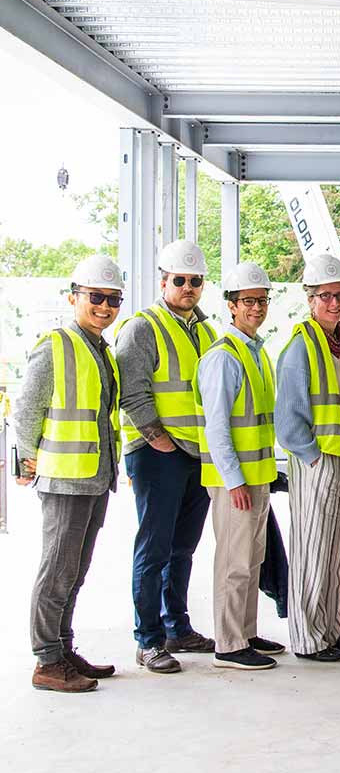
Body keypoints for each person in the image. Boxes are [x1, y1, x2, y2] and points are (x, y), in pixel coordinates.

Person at [18, 256, 124, 692]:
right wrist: (28, 459)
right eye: (95, 297)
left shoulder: (101, 349)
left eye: (112, 299)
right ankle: (46, 660)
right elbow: (27, 410)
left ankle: (63, 648)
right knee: (56, 572)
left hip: (95, 477)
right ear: (74, 297)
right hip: (65, 479)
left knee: (75, 572)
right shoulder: (56, 346)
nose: (104, 306)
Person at [116, 238, 219, 674]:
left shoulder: (206, 329)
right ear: (164, 281)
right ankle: (148, 639)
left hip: (195, 454)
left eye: (196, 281)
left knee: (182, 548)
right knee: (154, 548)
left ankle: (177, 627)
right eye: (181, 280)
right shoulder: (143, 327)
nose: (189, 287)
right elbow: (132, 388)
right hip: (159, 453)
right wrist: (157, 438)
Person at [274, 253, 340, 663]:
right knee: (312, 550)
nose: (335, 303)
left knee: (337, 549)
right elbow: (288, 417)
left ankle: (330, 627)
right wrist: (310, 457)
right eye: (326, 296)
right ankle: (308, 639)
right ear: (310, 299)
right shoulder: (301, 346)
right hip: (317, 460)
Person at [194, 261, 283, 672]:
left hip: (257, 477)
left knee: (251, 560)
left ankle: (245, 633)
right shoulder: (223, 358)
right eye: (248, 301)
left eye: (262, 300)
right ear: (231, 305)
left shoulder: (256, 352)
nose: (257, 308)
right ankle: (229, 644)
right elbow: (217, 428)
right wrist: (233, 480)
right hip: (236, 483)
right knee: (234, 563)